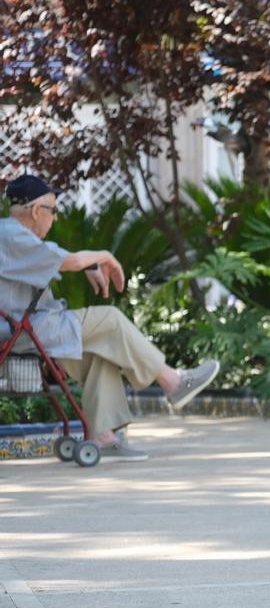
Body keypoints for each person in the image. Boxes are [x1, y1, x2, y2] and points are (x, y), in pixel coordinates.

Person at [0, 174, 220, 461]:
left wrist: (87, 264)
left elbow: (58, 258)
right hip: (23, 330)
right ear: (36, 211)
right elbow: (70, 260)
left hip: (29, 327)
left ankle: (103, 436)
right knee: (111, 320)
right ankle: (173, 382)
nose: (55, 219)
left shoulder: (15, 237)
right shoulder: (11, 234)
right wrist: (103, 256)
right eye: (53, 211)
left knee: (99, 349)